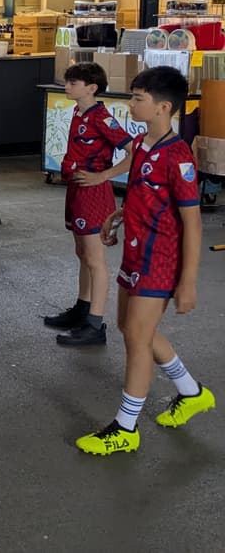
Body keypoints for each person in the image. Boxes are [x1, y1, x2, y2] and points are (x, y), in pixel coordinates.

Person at [76, 66, 215, 455]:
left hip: (161, 259)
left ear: (163, 107)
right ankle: (191, 391)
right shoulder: (140, 146)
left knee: (137, 337)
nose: (132, 104)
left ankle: (125, 428)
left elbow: (193, 223)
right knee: (128, 327)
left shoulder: (179, 156)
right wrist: (118, 215)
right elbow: (141, 192)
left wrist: (187, 282)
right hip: (135, 252)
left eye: (139, 99)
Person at [44, 63, 133, 347]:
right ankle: (82, 309)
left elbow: (133, 152)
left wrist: (103, 176)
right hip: (76, 188)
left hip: (94, 193)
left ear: (91, 88)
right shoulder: (77, 112)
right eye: (67, 82)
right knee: (82, 252)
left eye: (73, 82)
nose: (67, 86)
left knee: (95, 259)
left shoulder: (102, 118)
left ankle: (96, 324)